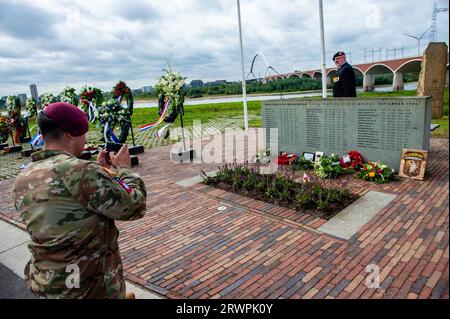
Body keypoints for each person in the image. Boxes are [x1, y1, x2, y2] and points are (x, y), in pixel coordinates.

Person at [12, 102, 147, 299]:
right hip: (89, 288)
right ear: (70, 134)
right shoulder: (84, 172)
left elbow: (67, 200)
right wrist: (124, 171)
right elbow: (135, 206)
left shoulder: (23, 177)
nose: (85, 140)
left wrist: (101, 172)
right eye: (83, 134)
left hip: (47, 282)